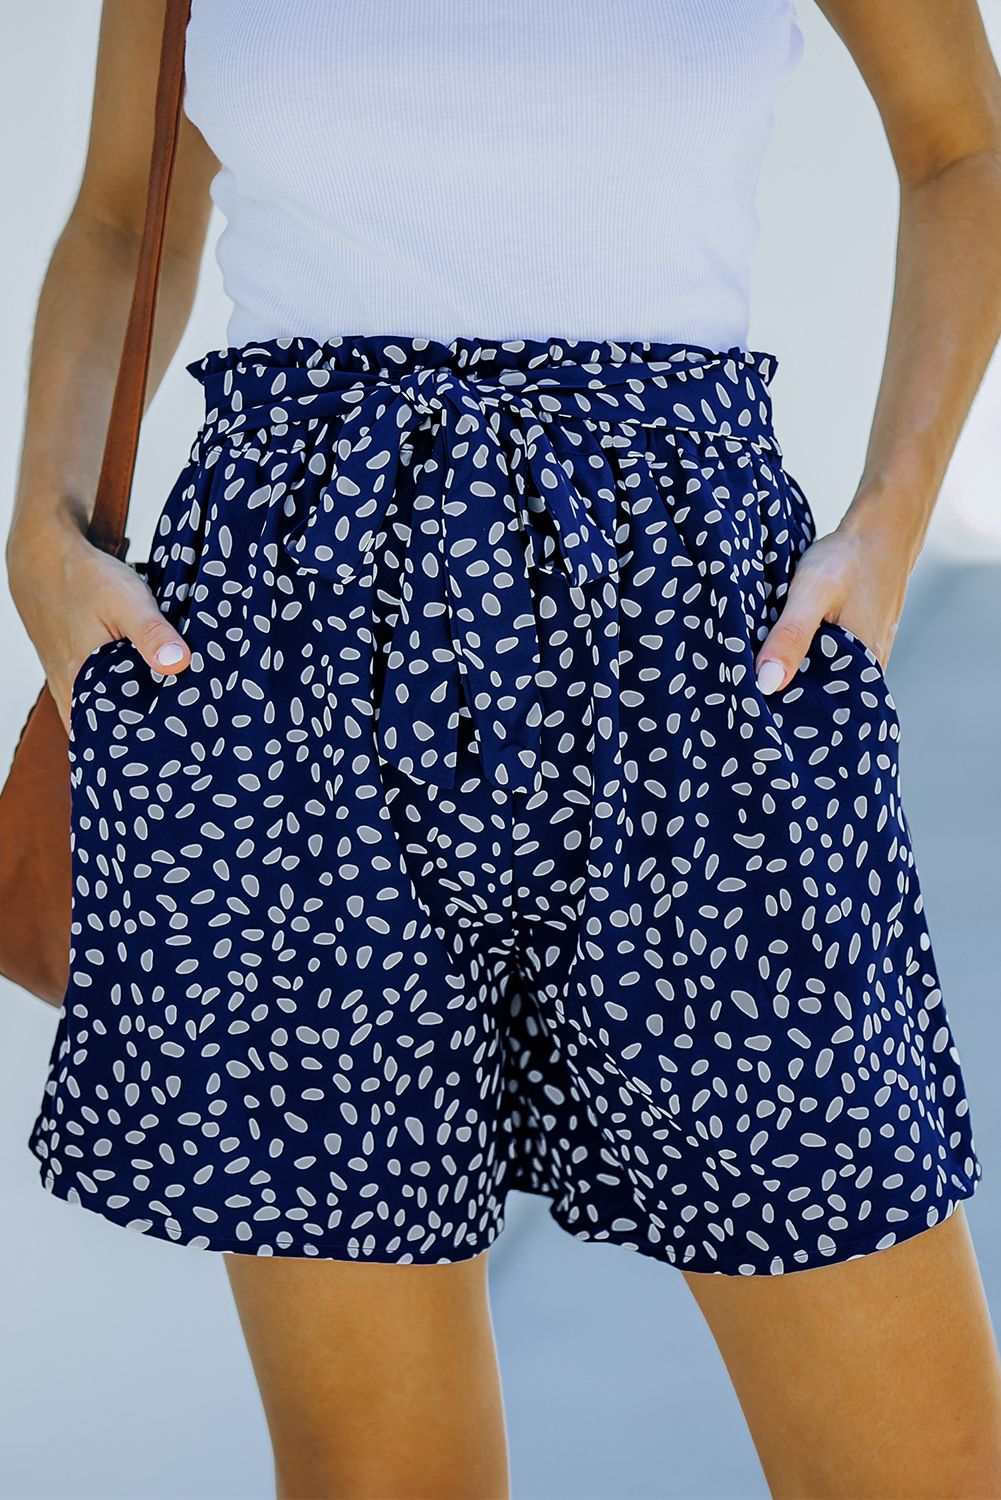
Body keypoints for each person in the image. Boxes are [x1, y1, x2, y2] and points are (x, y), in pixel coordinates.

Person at [7, 1, 1001, 1495]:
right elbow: (118, 214)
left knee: (912, 1464)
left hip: (690, 657)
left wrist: (891, 519)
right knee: (375, 1470)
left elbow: (963, 147)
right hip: (292, 673)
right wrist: (43, 528)